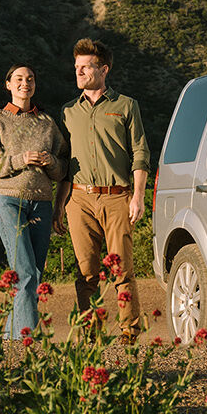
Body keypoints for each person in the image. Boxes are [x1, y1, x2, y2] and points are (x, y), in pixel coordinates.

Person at [54, 37, 149, 339]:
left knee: (121, 270)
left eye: (85, 67)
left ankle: (129, 334)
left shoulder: (126, 106)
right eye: (77, 67)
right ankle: (91, 335)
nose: (79, 72)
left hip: (117, 197)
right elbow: (66, 162)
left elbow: (140, 152)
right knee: (86, 273)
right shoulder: (68, 111)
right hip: (78, 200)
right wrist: (59, 205)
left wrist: (138, 197)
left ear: (103, 69)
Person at [0, 64, 67, 341]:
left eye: (31, 79)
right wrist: (19, 160)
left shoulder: (48, 124)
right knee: (24, 272)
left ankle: (10, 338)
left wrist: (51, 163)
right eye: (19, 79)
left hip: (42, 205)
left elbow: (63, 169)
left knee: (33, 274)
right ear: (8, 85)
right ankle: (28, 342)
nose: (26, 83)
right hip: (9, 202)